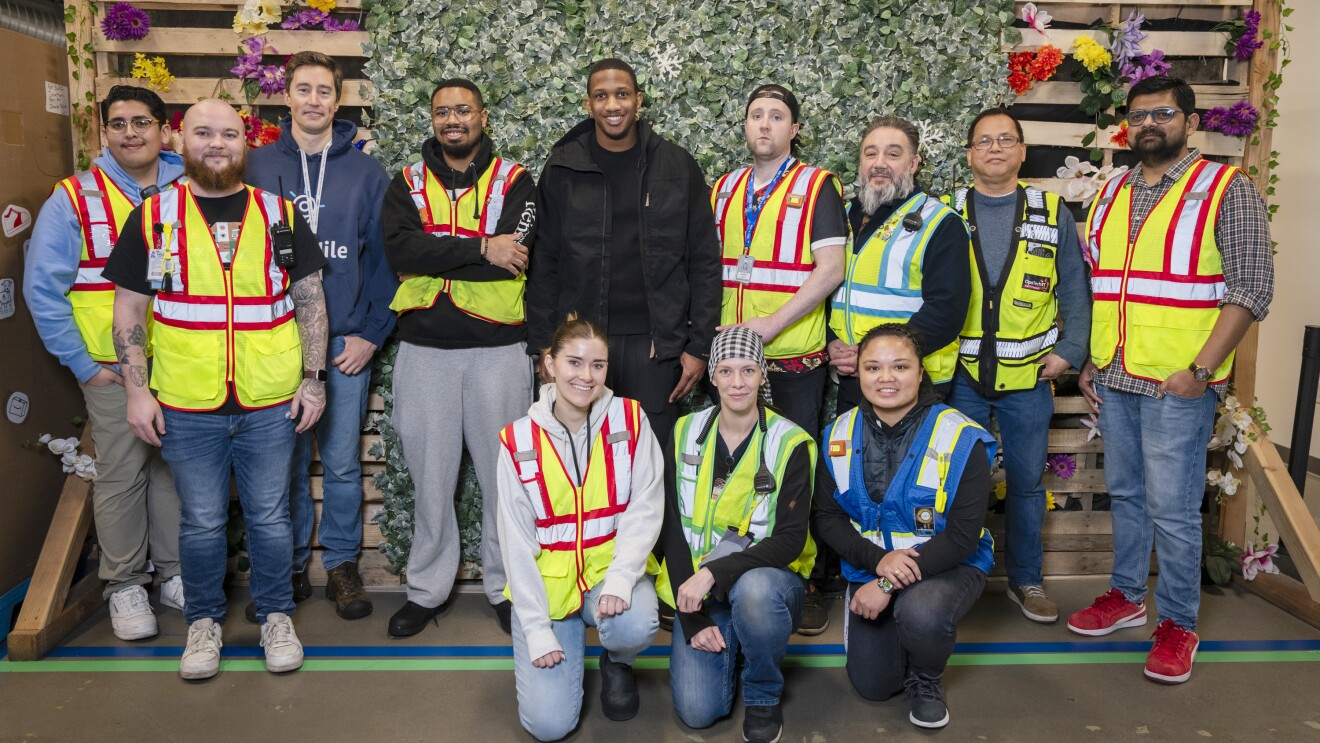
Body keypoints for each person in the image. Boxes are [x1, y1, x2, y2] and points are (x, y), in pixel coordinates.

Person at [105, 99, 329, 680]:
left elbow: (310, 302)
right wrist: (136, 391)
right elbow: (128, 307)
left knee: (271, 517)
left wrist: (313, 379)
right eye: (203, 132)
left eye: (228, 133)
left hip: (270, 400)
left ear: (245, 142)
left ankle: (277, 616)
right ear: (181, 139)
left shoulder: (279, 214)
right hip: (186, 401)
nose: (216, 144)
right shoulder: (153, 216)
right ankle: (203, 624)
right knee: (201, 521)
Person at [1072, 76, 1273, 684]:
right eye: (1137, 116)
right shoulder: (1110, 192)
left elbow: (1251, 289)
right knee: (1128, 497)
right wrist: (1092, 360)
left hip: (1177, 384)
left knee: (1175, 509)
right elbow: (1106, 287)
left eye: (1162, 113)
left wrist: (1201, 372)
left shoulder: (1225, 189)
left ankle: (1179, 623)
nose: (1148, 124)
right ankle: (1129, 595)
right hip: (1115, 376)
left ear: (1189, 120)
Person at [24, 84, 185, 641]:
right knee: (122, 472)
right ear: (104, 133)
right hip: (111, 366)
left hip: (184, 361)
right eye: (118, 124)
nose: (131, 132)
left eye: (142, 121)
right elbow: (43, 290)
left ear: (165, 130)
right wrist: (83, 364)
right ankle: (124, 585)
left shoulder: (189, 188)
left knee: (173, 469)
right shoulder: (74, 198)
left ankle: (174, 572)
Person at [381, 78, 536, 637]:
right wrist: (477, 247)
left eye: (463, 110)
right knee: (430, 479)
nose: (453, 119)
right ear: (432, 119)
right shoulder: (407, 183)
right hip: (424, 353)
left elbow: (514, 257)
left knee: (506, 481)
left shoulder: (517, 182)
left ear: (483, 116)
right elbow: (400, 248)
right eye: (443, 111)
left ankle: (506, 587)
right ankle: (427, 590)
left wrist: (440, 256)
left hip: (499, 351)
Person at [246, 51, 396, 623]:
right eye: (303, 89)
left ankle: (340, 565)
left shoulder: (367, 173)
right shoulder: (256, 165)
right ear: (287, 96)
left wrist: (371, 335)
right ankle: (283, 567)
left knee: (339, 464)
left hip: (343, 345)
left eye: (324, 91)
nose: (313, 100)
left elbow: (385, 263)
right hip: (272, 342)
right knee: (280, 465)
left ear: (339, 100)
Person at [944, 107, 1092, 624]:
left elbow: (1074, 285)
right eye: (984, 141)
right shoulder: (946, 211)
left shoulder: (1051, 212)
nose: (995, 149)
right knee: (957, 484)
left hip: (1030, 378)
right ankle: (953, 580)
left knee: (1027, 485)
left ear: (1022, 151)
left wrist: (1071, 351)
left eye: (1006, 139)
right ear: (969, 154)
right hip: (961, 379)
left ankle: (1027, 582)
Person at [710, 83, 848, 636]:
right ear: (745, 126)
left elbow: (830, 270)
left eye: (777, 117)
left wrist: (769, 326)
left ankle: (807, 581)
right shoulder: (723, 188)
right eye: (756, 115)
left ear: (794, 130)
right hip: (731, 363)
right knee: (734, 472)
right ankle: (730, 572)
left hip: (791, 358)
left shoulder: (818, 186)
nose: (764, 124)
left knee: (796, 473)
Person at [528, 58, 721, 448]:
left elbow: (703, 260)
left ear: (638, 100)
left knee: (652, 461)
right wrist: (544, 345)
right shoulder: (563, 168)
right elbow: (544, 261)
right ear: (588, 105)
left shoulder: (678, 165)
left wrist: (698, 346)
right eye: (601, 96)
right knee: (582, 458)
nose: (612, 105)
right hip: (582, 342)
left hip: (656, 346)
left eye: (621, 94)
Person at [813, 323, 995, 729]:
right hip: (871, 564)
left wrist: (887, 585)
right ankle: (898, 629)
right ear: (857, 372)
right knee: (873, 686)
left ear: (920, 371)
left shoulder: (959, 436)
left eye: (900, 366)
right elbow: (827, 517)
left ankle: (927, 679)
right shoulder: (837, 434)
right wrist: (878, 565)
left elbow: (964, 535)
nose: (886, 378)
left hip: (948, 566)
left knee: (923, 613)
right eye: (873, 367)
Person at [496, 315, 663, 741]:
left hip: (610, 573)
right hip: (549, 589)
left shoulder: (629, 418)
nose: (586, 376)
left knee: (635, 623)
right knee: (549, 727)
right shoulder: (518, 440)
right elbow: (515, 543)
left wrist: (623, 579)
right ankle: (560, 640)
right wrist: (536, 630)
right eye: (574, 363)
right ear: (549, 365)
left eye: (597, 365)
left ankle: (618, 660)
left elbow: (645, 505)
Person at [659, 327, 816, 743]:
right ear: (711, 376)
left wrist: (714, 573)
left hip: (764, 583)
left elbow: (789, 540)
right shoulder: (684, 432)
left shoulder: (791, 442)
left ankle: (763, 690)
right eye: (726, 371)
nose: (737, 382)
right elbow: (672, 525)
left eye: (748, 370)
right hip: (699, 591)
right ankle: (738, 640)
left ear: (763, 375)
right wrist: (690, 617)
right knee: (697, 712)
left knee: (757, 593)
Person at [828, 116, 971, 411]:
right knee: (854, 457)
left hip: (915, 382)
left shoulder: (941, 223)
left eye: (893, 154)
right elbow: (825, 293)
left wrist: (872, 355)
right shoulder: (840, 216)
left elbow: (947, 310)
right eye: (871, 153)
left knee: (909, 458)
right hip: (853, 379)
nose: (879, 163)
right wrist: (832, 344)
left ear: (914, 163)